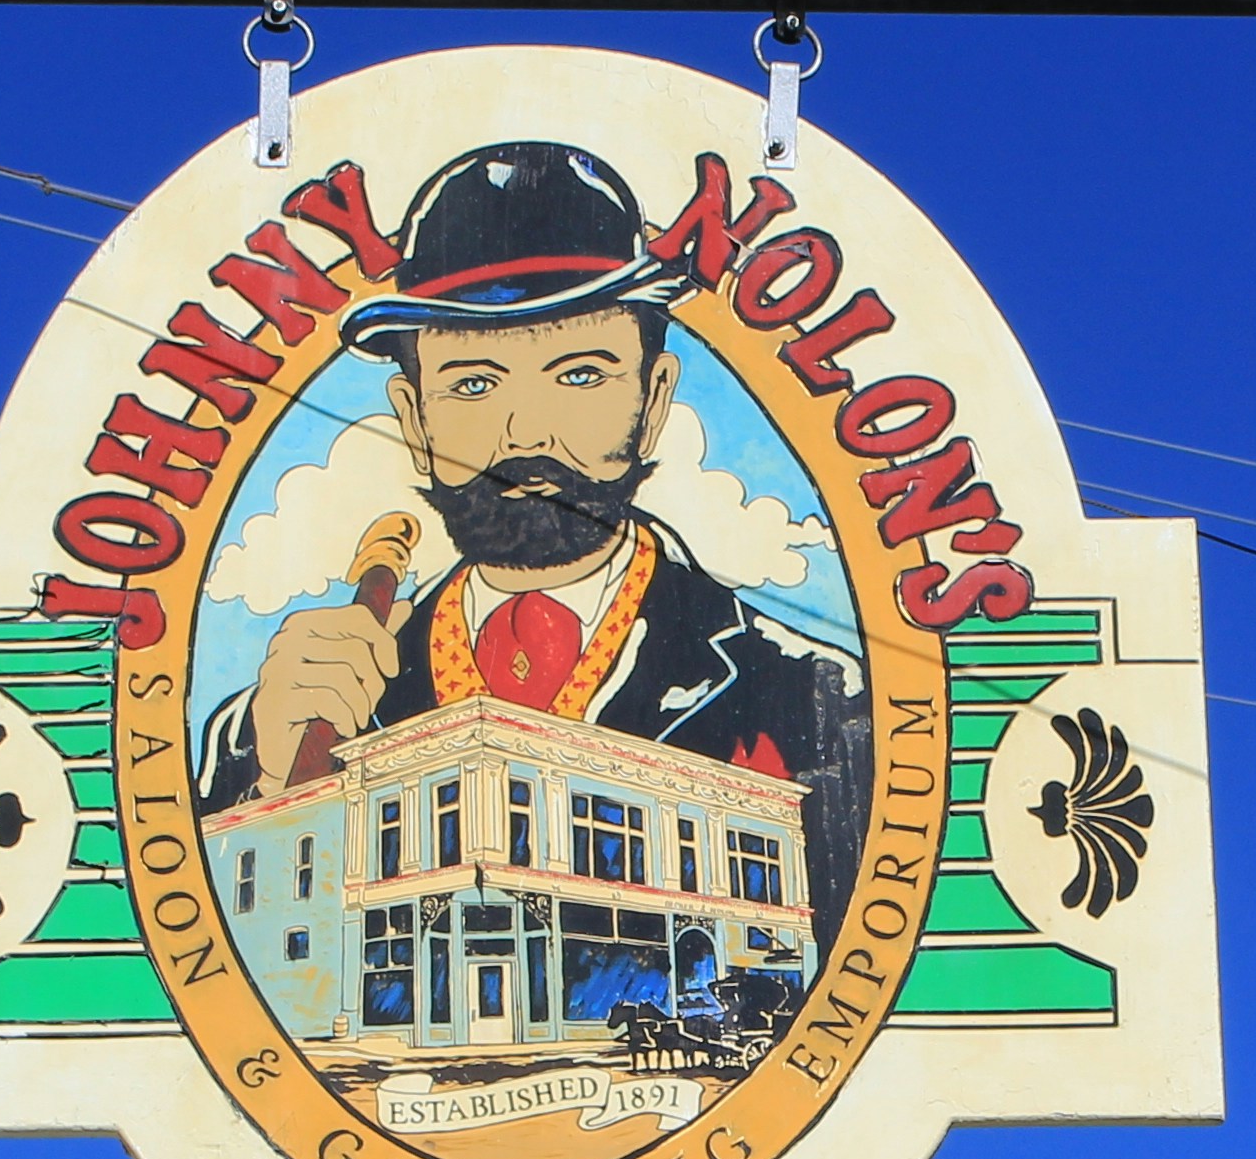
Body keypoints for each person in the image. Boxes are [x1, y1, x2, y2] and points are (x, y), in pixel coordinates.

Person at [196, 139, 863, 921]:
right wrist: (268, 780)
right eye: (473, 383)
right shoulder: (287, 716)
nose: (525, 432)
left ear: (653, 401)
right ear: (413, 421)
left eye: (580, 374)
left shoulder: (810, 693)